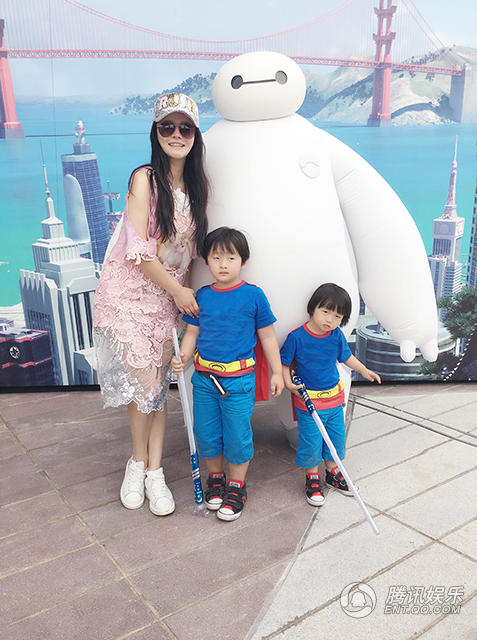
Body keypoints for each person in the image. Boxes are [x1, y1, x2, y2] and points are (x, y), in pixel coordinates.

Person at [93, 93, 208, 517]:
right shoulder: (144, 179)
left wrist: (183, 298)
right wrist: (178, 292)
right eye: (167, 127)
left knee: (157, 389)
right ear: (156, 132)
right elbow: (139, 253)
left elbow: (189, 254)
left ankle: (153, 469)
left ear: (195, 135)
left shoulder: (198, 188)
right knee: (143, 387)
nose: (176, 135)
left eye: (185, 128)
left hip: (166, 300)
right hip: (129, 297)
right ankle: (138, 464)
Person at [172, 227, 284, 521]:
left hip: (239, 382)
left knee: (237, 435)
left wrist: (276, 372)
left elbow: (268, 337)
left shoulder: (254, 296)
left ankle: (236, 486)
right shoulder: (202, 296)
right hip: (204, 380)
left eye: (231, 258)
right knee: (206, 433)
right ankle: (216, 479)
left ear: (243, 262)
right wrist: (182, 357)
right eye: (216, 257)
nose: (223, 264)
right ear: (207, 262)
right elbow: (192, 333)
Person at [280, 283, 381, 507]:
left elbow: (346, 357)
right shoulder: (296, 337)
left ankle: (333, 473)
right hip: (308, 402)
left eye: (337, 316)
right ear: (313, 308)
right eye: (325, 312)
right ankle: (312, 478)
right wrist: (287, 383)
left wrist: (364, 369)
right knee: (311, 441)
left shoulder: (336, 336)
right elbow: (284, 363)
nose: (330, 320)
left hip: (334, 400)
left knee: (335, 439)